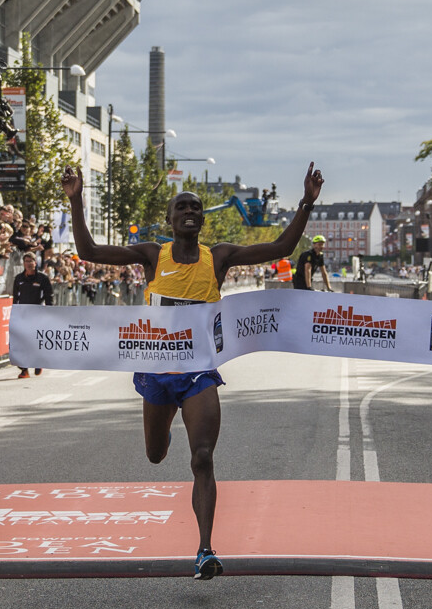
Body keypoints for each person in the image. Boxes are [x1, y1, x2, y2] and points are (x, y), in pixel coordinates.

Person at [62, 162, 325, 580]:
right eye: (181, 207)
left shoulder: (219, 256)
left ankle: (205, 549)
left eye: (196, 207)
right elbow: (90, 252)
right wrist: (76, 199)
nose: (189, 211)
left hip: (199, 372)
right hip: (156, 373)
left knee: (202, 458)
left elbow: (280, 247)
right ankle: (164, 428)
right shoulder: (153, 254)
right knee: (155, 455)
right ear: (169, 219)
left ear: (202, 219)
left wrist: (307, 203)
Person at [11, 255, 53, 378]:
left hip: (37, 314)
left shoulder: (42, 278)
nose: (29, 263)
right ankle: (24, 370)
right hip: (23, 314)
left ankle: (38, 361)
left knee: (35, 340)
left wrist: (50, 312)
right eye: (26, 261)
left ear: (35, 262)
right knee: (21, 341)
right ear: (23, 263)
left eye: (31, 261)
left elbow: (49, 296)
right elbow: (15, 297)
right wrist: (15, 312)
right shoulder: (19, 278)